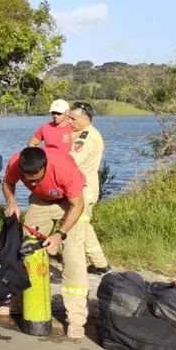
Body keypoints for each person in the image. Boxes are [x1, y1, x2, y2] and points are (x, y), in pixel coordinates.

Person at [0, 146, 90, 339]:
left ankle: (76, 318)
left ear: (46, 166)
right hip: (41, 202)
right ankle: (17, 301)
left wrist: (60, 234)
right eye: (29, 180)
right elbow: (8, 182)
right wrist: (11, 201)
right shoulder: (16, 162)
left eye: (38, 179)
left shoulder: (63, 168)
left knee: (73, 257)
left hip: (70, 202)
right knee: (24, 251)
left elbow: (78, 205)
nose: (33, 182)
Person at [67, 101, 111, 275]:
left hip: (83, 189)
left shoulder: (86, 137)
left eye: (73, 119)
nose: (70, 122)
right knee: (84, 225)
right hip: (88, 187)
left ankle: (76, 268)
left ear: (86, 119)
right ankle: (100, 263)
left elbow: (72, 161)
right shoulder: (88, 134)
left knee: (78, 229)